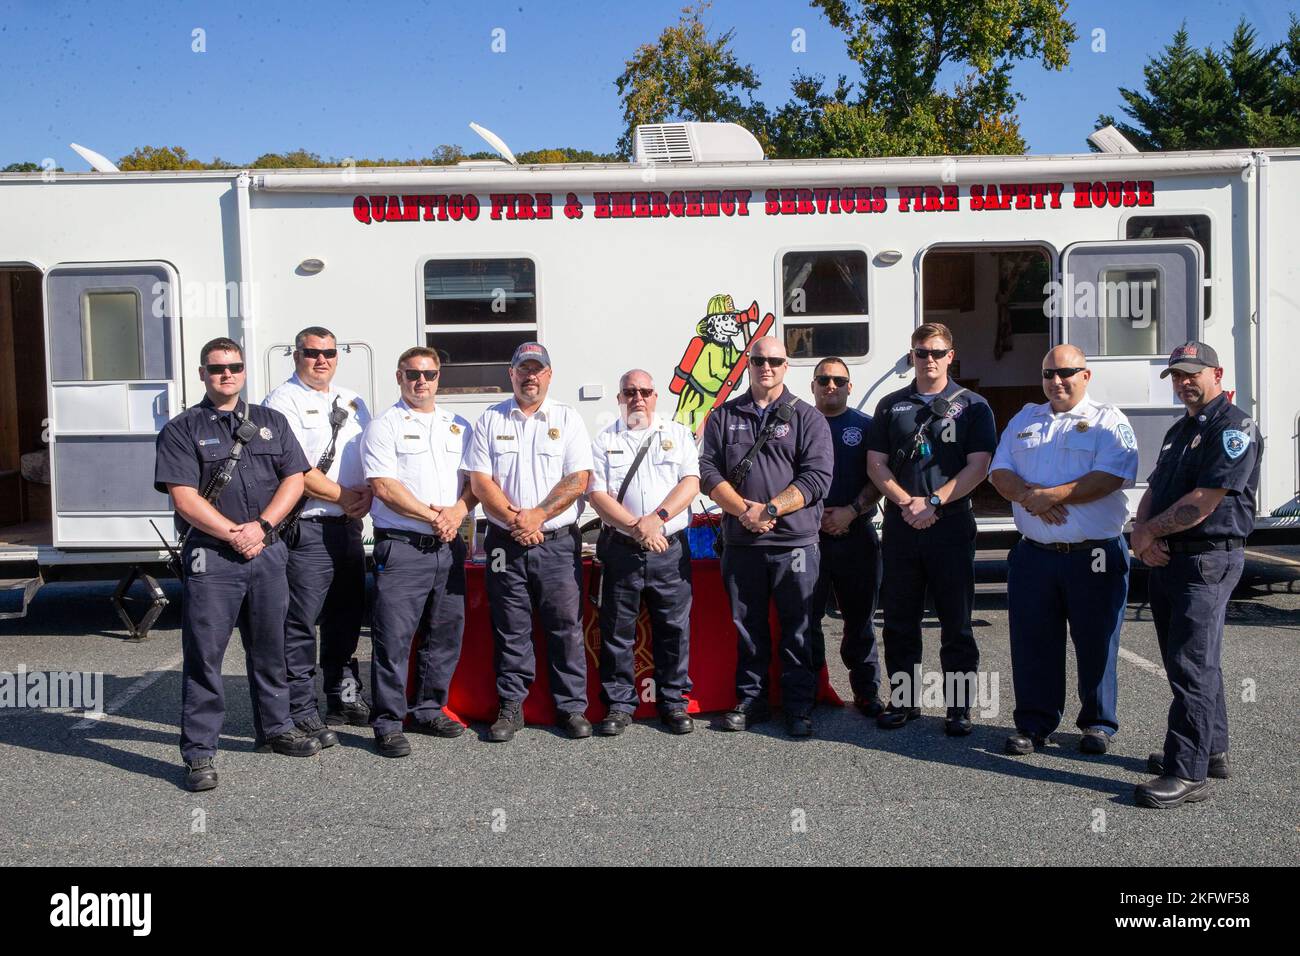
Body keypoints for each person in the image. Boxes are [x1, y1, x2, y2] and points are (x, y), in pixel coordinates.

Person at [154, 337, 319, 792]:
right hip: (213, 557)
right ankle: (200, 753)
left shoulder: (271, 421)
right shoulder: (182, 429)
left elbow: (294, 478)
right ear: (203, 374)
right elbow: (184, 497)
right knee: (205, 657)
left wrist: (262, 528)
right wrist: (234, 533)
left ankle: (276, 728)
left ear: (245, 371)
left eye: (234, 366)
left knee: (271, 648)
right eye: (216, 368)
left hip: (267, 550)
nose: (226, 374)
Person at [988, 345, 1138, 756]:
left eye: (1067, 372)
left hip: (1094, 555)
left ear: (1086, 376)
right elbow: (998, 470)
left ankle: (1097, 724)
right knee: (1033, 642)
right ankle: (1034, 725)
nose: (1057, 381)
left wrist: (1052, 496)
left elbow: (1114, 475)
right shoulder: (1025, 418)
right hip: (1034, 553)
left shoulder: (1108, 419)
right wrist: (1027, 495)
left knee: (1097, 641)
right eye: (1049, 373)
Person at [1130, 341, 1261, 809]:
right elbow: (1157, 489)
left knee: (1191, 666)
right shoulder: (1178, 431)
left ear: (1217, 373)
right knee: (1192, 660)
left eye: (1192, 374)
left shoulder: (1234, 427)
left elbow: (1202, 502)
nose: (1184, 383)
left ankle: (1186, 771)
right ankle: (1213, 751)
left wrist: (1146, 535)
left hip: (1206, 559)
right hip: (1174, 557)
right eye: (1177, 377)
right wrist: (1142, 530)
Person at [698, 336, 833, 737]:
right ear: (748, 364)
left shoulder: (808, 418)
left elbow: (817, 478)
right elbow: (708, 472)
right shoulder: (724, 415)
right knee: (748, 627)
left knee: (798, 627)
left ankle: (797, 706)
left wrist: (769, 510)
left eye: (774, 360)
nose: (766, 367)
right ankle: (751, 702)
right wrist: (745, 512)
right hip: (743, 544)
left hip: (795, 544)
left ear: (786, 366)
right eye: (759, 360)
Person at [865, 323, 995, 735]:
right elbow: (876, 464)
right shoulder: (891, 405)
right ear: (912, 356)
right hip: (903, 525)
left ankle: (958, 707)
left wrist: (935, 501)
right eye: (922, 352)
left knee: (956, 623)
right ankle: (903, 701)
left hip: (951, 525)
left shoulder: (974, 405)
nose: (930, 359)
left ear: (951, 356)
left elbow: (980, 466)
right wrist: (907, 503)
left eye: (937, 352)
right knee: (900, 621)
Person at [464, 342, 594, 742]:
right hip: (506, 542)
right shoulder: (490, 419)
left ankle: (571, 708)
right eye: (523, 369)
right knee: (510, 626)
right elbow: (480, 480)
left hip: (555, 542)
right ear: (512, 374)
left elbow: (578, 479)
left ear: (549, 375)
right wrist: (515, 520)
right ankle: (510, 708)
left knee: (565, 626)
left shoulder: (568, 419)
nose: (530, 377)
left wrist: (537, 516)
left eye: (538, 370)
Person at [362, 347, 475, 757]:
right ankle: (389, 722)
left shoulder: (458, 426)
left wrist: (458, 511)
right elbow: (385, 488)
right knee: (393, 639)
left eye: (428, 374)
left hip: (448, 546)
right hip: (404, 547)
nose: (421, 382)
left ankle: (428, 707)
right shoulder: (383, 426)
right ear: (399, 377)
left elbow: (473, 482)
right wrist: (435, 517)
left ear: (439, 377)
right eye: (412, 374)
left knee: (444, 633)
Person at [263, 326, 372, 743]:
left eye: (328, 352)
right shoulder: (282, 401)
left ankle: (342, 697)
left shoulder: (352, 401)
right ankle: (300, 708)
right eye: (311, 352)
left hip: (348, 527)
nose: (320, 360)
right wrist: (346, 496)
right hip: (307, 529)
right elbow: (295, 470)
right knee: (302, 624)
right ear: (296, 355)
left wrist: (364, 500)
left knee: (346, 621)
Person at [588, 369, 700, 736]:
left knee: (673, 629)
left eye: (645, 391)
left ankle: (673, 703)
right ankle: (620, 705)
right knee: (617, 631)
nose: (637, 397)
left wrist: (658, 520)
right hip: (622, 549)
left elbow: (690, 483)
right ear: (619, 398)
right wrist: (638, 528)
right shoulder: (604, 440)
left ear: (655, 397)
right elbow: (598, 496)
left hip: (669, 548)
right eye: (630, 392)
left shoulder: (677, 434)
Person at [807, 357, 884, 718]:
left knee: (860, 619)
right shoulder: (798, 425)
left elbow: (880, 477)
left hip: (856, 534)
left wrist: (851, 510)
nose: (831, 386)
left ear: (850, 386)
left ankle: (867, 691)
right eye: (823, 379)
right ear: (813, 386)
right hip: (809, 536)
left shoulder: (867, 427)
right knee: (806, 620)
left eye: (839, 380)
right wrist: (813, 515)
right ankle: (809, 689)